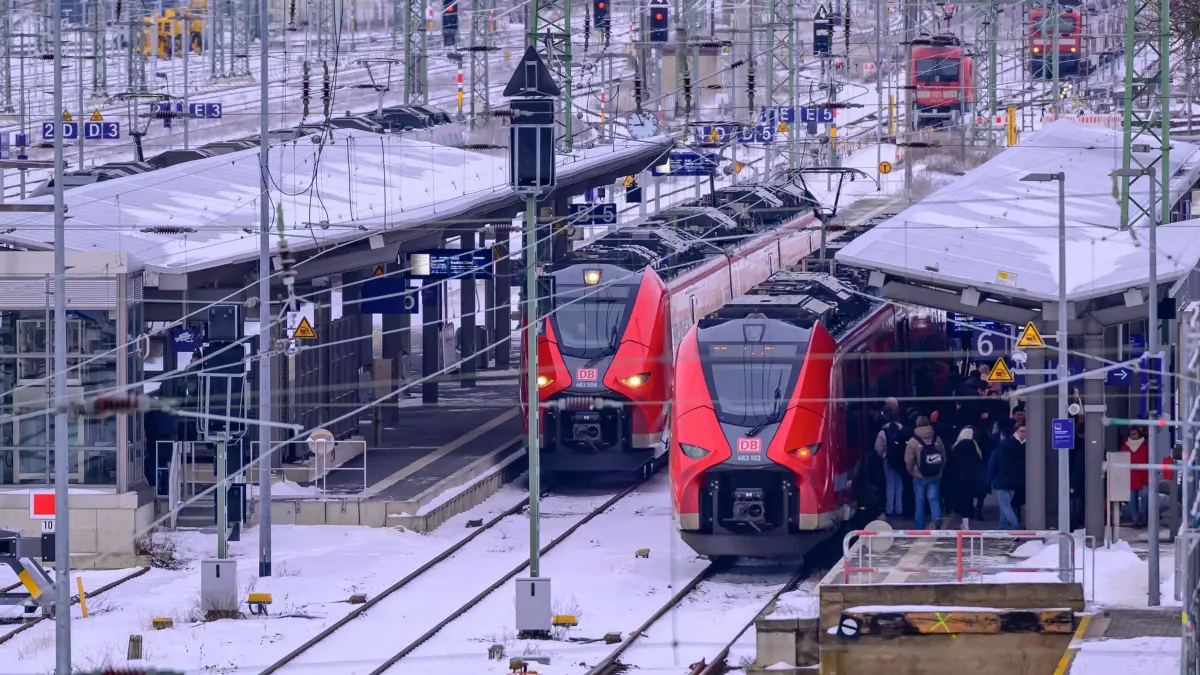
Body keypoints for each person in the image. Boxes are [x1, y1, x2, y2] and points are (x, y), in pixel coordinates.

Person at [904, 416, 946, 529]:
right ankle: (937, 518)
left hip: (919, 476)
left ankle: (920, 527)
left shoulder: (913, 441)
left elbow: (909, 460)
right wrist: (939, 468)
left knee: (920, 501)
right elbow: (943, 456)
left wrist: (911, 471)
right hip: (935, 475)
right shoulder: (937, 438)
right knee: (934, 498)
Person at [987, 421, 1027, 529]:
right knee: (1005, 506)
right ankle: (1001, 528)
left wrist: (988, 482)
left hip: (1002, 481)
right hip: (1014, 481)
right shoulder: (1019, 447)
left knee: (1004, 506)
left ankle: (1016, 527)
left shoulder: (1001, 448)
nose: (1023, 434)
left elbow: (993, 465)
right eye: (1021, 431)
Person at [944, 427, 985, 529]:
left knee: (962, 502)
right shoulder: (975, 448)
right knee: (968, 501)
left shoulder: (956, 447)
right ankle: (966, 523)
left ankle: (965, 524)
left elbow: (951, 464)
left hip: (958, 479)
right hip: (972, 479)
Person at [875, 410, 907, 517]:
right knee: (899, 485)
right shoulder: (902, 429)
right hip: (900, 460)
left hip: (888, 460)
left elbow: (878, 448)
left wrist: (884, 455)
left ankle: (889, 509)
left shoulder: (883, 432)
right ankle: (899, 509)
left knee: (890, 484)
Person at [1123, 427, 1149, 527]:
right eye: (1131, 434)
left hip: (1145, 476)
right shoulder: (1126, 447)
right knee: (1131, 499)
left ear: (1139, 434)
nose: (1133, 436)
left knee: (1145, 496)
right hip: (1131, 476)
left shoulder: (1145, 446)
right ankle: (1136, 519)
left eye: (1134, 434)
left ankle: (1143, 518)